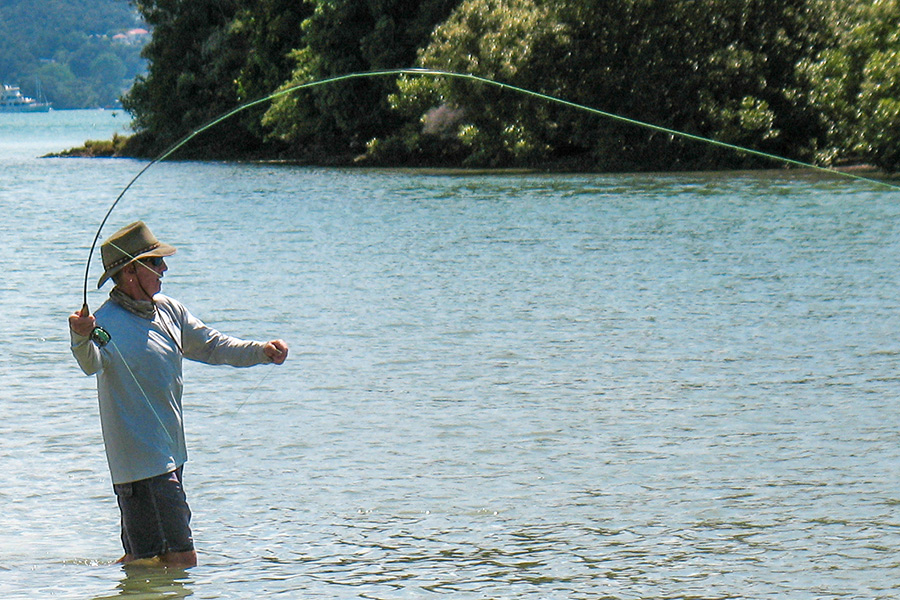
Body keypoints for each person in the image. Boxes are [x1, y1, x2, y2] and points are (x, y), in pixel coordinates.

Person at [68, 221, 288, 568]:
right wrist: (80, 336)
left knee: (145, 560)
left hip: (170, 458)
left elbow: (213, 346)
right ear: (130, 271)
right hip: (142, 466)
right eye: (155, 262)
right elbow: (90, 362)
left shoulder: (169, 309)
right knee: (181, 558)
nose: (164, 269)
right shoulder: (103, 324)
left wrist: (261, 351)